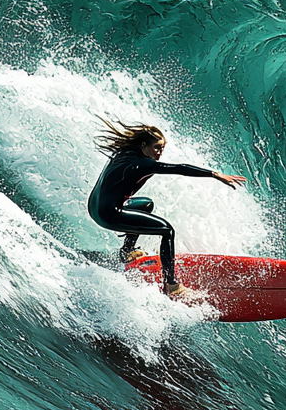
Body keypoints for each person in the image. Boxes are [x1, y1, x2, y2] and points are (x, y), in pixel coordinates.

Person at [88, 120, 245, 297]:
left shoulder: (123, 153)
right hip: (108, 214)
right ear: (143, 145)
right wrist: (214, 174)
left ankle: (127, 252)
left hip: (95, 208)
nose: (160, 152)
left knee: (146, 204)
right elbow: (180, 169)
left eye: (162, 148)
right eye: (157, 147)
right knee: (167, 230)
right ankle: (172, 286)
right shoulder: (143, 164)